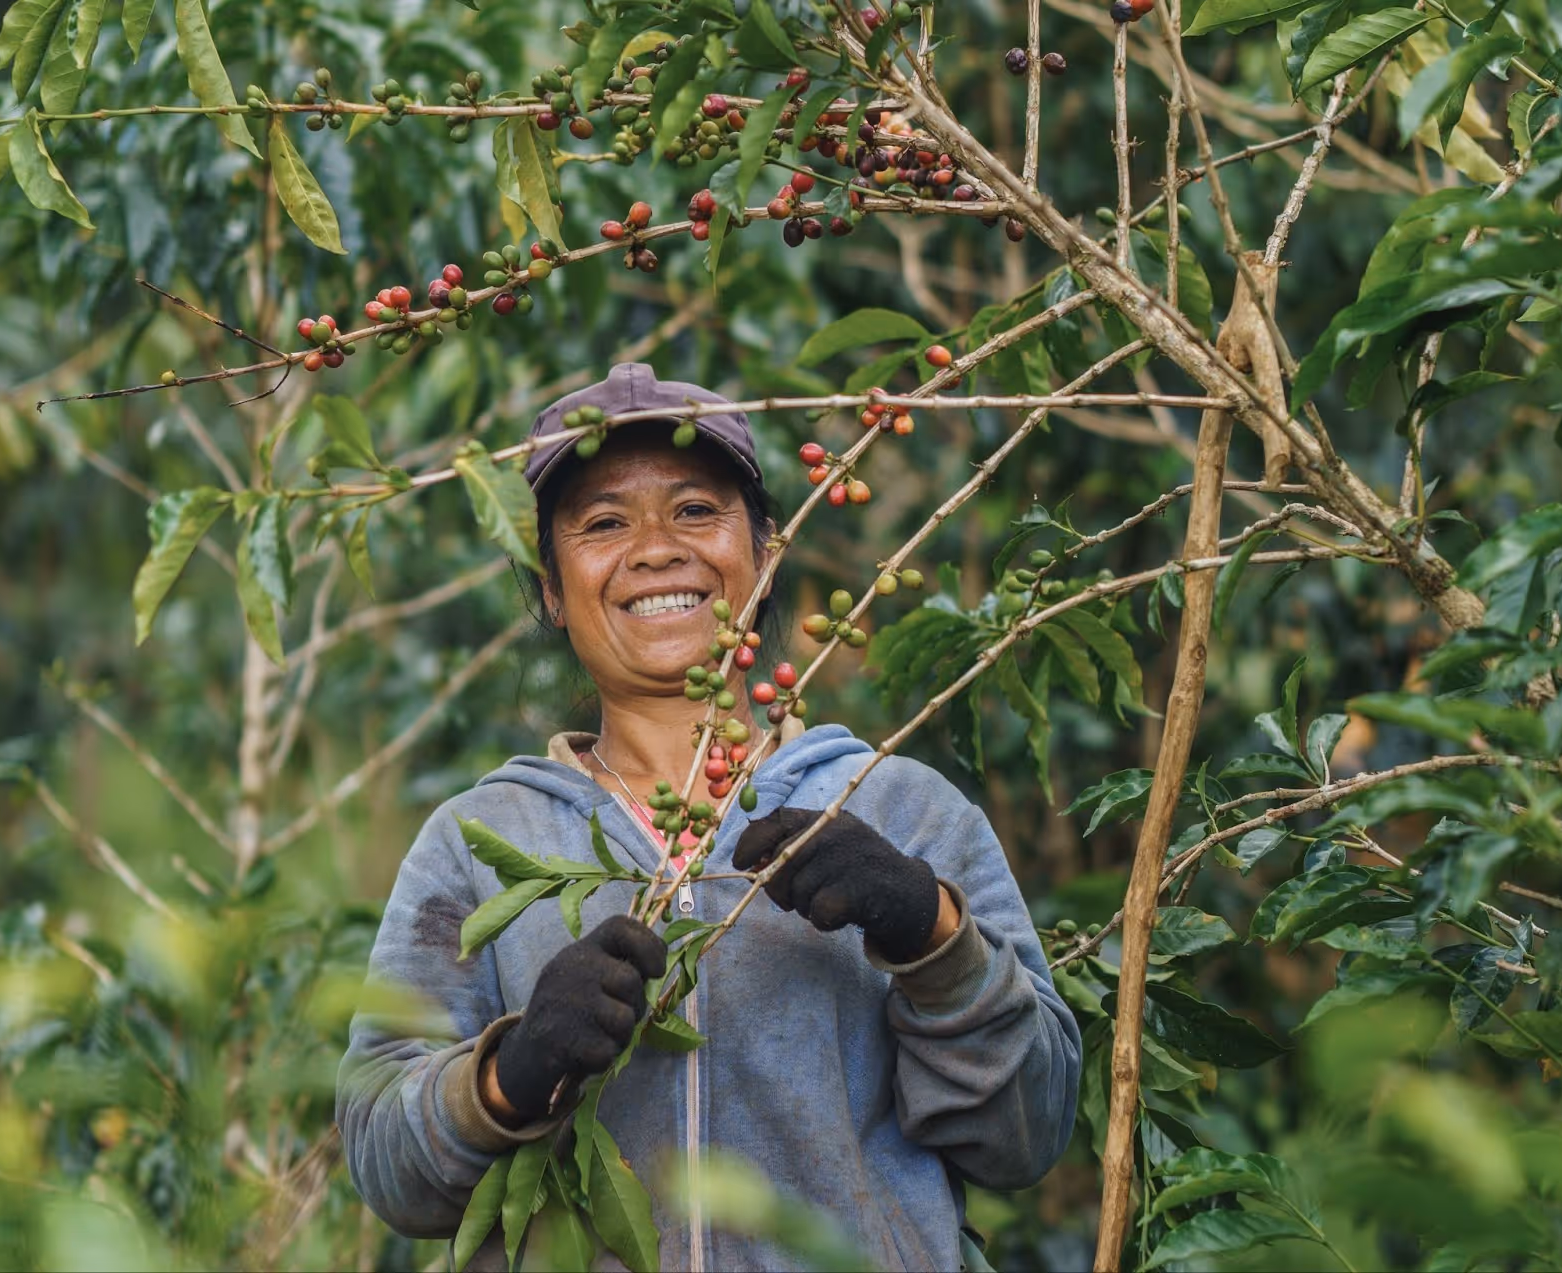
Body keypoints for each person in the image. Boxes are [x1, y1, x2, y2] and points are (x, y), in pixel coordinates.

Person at [336, 363, 1082, 1272]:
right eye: (604, 523)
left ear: (765, 554)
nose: (656, 549)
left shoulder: (898, 804)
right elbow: (383, 1159)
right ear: (552, 589)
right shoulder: (477, 843)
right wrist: (508, 1076)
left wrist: (931, 933)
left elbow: (1030, 1131)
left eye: (695, 510)